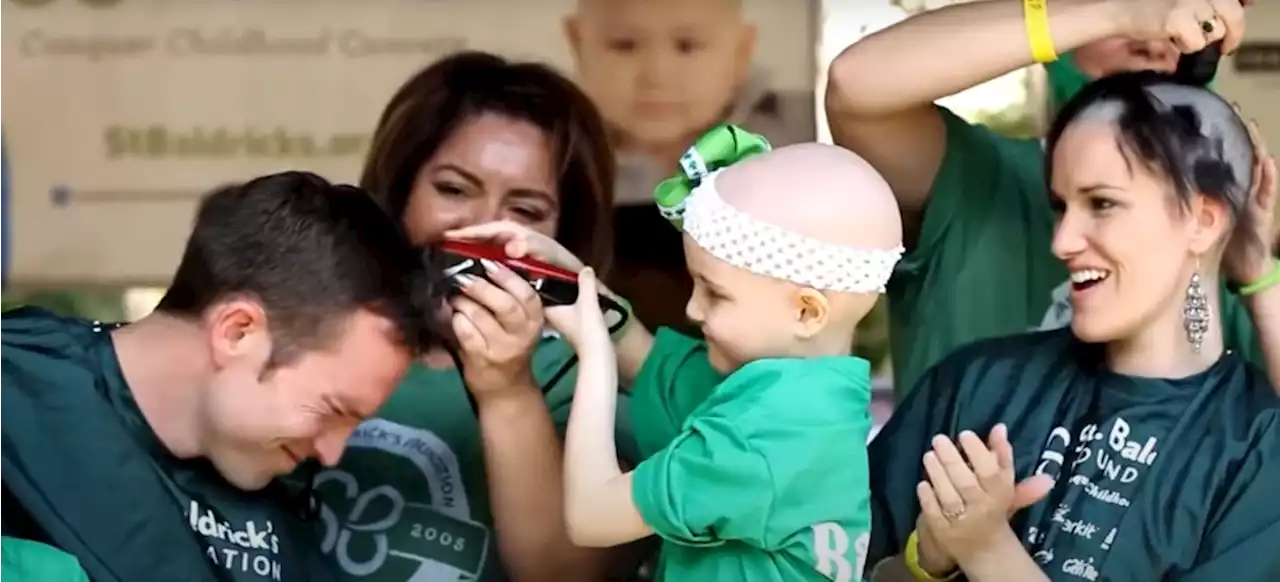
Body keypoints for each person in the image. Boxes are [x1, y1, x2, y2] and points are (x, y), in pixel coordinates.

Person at [866, 72, 1280, 582]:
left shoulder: (1258, 449)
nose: (1062, 240)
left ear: (1203, 220)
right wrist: (925, 561)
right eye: (1061, 206)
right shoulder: (975, 382)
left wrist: (987, 549)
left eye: (1101, 203)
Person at [0, 171, 443, 582]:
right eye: (331, 410)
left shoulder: (280, 498)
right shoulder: (19, 383)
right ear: (238, 331)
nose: (331, 454)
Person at [825, 0, 1279, 395]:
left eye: (1103, 203)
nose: (1157, 40)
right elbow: (855, 85)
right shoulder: (976, 176)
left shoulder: (1211, 242)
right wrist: (1119, 13)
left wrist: (1259, 276)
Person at [310, 51, 642, 582]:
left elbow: (566, 575)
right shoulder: (314, 337)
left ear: (564, 238)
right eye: (454, 190)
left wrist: (507, 391)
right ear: (398, 195)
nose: (485, 232)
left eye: (526, 211)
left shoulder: (588, 377)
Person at [547, 125, 901, 581]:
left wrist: (592, 354)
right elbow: (650, 363)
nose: (692, 308)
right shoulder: (806, 397)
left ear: (807, 311)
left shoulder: (760, 441)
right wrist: (579, 289)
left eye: (715, 293)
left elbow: (590, 515)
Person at [563, 0, 812, 333]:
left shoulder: (791, 144)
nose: (656, 74)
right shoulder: (562, 155)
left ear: (742, 50)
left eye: (687, 46)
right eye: (624, 45)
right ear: (577, 43)